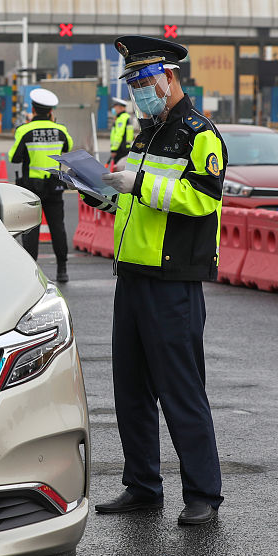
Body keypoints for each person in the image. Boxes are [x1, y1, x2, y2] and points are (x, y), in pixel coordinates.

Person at [88, 35, 227, 526]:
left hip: (172, 282)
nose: (140, 90)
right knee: (130, 389)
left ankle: (203, 494)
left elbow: (203, 199)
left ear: (170, 77)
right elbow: (141, 204)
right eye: (134, 82)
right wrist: (104, 196)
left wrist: (140, 184)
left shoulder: (198, 134)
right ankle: (143, 485)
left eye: (146, 80)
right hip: (133, 276)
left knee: (181, 389)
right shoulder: (146, 134)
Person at [10, 87, 72, 283]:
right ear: (51, 111)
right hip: (54, 187)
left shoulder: (24, 130)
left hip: (31, 189)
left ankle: (32, 272)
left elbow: (14, 157)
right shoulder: (61, 130)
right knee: (58, 228)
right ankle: (62, 269)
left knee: (31, 230)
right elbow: (68, 149)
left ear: (33, 109)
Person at [107, 97, 135, 167]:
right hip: (125, 147)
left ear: (121, 107)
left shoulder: (122, 118)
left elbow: (119, 134)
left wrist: (114, 150)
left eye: (115, 107)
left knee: (117, 170)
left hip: (120, 148)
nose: (114, 109)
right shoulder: (126, 117)